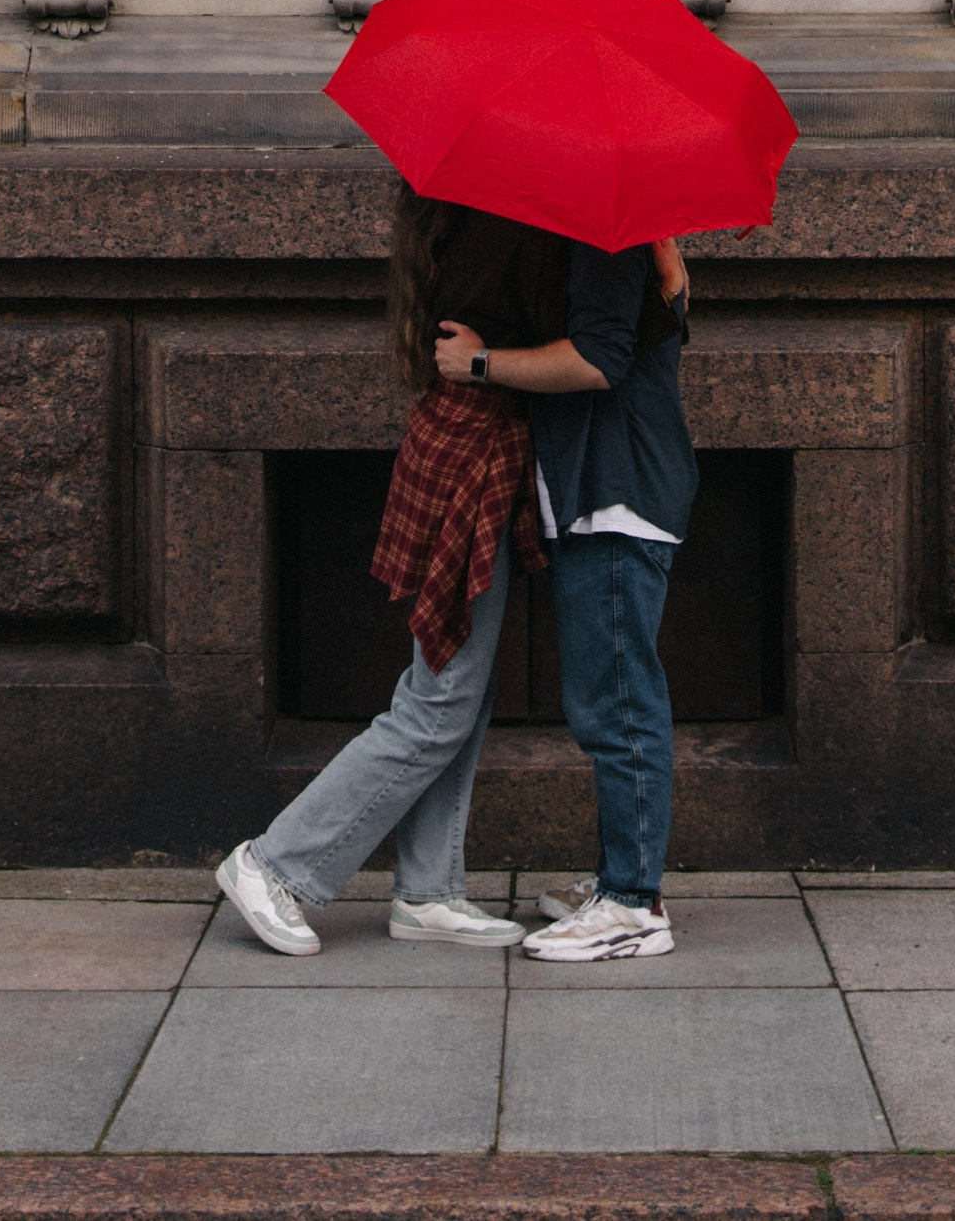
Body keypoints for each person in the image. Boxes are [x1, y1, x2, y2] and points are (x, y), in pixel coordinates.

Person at [214, 183, 565, 955]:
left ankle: (429, 891)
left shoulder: (458, 212)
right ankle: (276, 863)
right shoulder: (497, 225)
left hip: (469, 450)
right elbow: (560, 343)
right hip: (469, 456)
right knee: (438, 702)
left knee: (453, 695)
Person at [437, 231, 697, 965]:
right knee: (612, 700)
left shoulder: (607, 241)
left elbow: (598, 359)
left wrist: (479, 364)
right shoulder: (636, 241)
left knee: (617, 705)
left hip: (615, 494)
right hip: (608, 489)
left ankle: (631, 904)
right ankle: (623, 879)